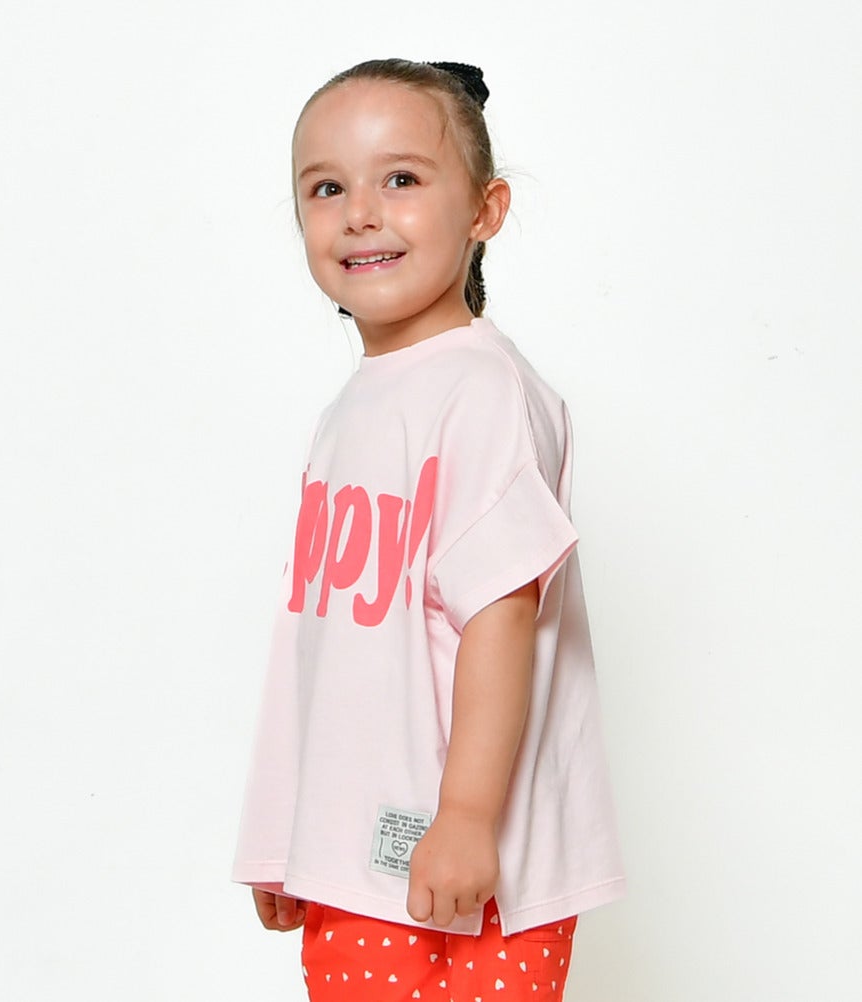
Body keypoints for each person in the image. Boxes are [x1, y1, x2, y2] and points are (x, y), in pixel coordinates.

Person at [232, 58, 624, 1001]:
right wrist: (293, 833)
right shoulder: (354, 406)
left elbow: (500, 613)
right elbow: (332, 653)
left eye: (401, 178)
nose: (360, 212)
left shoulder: (481, 389)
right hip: (359, 860)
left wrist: (468, 817)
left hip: (456, 863)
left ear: (486, 210)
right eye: (327, 188)